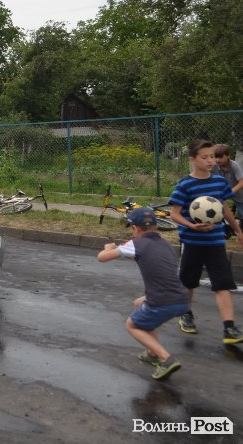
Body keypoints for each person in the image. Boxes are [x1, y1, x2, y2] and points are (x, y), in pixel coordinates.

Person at [97, 208, 188, 380]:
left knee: (133, 325)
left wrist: (108, 248)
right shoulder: (166, 245)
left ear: (135, 228)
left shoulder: (136, 244)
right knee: (141, 307)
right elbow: (147, 258)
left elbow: (102, 257)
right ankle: (152, 354)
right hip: (180, 298)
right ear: (157, 227)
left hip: (161, 300)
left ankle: (165, 358)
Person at [169, 139, 243, 344]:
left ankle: (229, 328)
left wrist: (238, 230)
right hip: (192, 241)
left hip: (216, 241)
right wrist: (191, 225)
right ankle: (186, 314)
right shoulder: (185, 184)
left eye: (212, 156)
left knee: (222, 283)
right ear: (192, 159)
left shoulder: (219, 182)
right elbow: (174, 213)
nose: (211, 161)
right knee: (188, 282)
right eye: (205, 157)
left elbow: (224, 208)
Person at [212, 143, 243, 224]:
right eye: (215, 157)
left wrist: (231, 191)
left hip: (239, 194)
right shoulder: (213, 166)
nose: (217, 160)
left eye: (220, 157)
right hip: (222, 194)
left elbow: (241, 182)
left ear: (228, 156)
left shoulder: (234, 166)